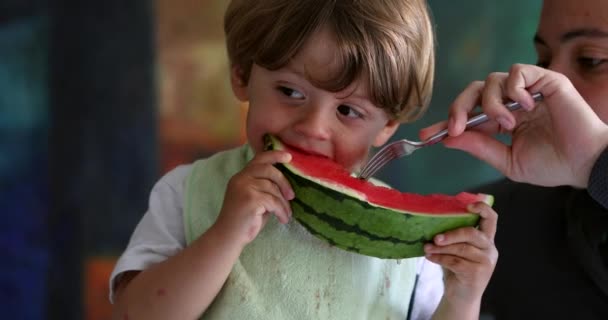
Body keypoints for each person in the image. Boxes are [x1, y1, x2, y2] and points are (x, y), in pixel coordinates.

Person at [109, 0, 499, 319]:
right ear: (243, 76)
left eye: (348, 111)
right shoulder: (188, 192)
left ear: (387, 127)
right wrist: (225, 234)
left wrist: (463, 299)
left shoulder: (415, 244)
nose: (313, 127)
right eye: (290, 92)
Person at [420, 0, 608, 318]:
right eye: (544, 59)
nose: (550, 84)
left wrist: (596, 162)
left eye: (591, 60)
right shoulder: (489, 226)